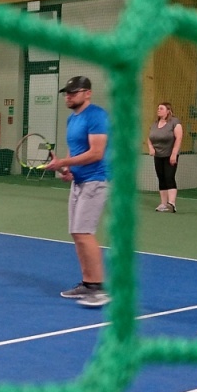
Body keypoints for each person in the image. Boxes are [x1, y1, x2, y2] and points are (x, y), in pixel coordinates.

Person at [44, 76, 111, 308]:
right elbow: (77, 150)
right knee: (76, 233)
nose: (68, 96)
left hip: (95, 180)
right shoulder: (71, 120)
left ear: (88, 93)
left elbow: (96, 153)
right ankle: (88, 283)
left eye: (73, 92)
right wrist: (68, 170)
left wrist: (64, 160)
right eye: (66, 93)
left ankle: (100, 289)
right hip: (79, 181)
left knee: (84, 232)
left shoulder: (97, 116)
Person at [146, 102, 183, 213]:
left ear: (168, 111)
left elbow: (179, 138)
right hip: (158, 156)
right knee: (161, 178)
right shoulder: (155, 124)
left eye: (161, 108)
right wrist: (151, 148)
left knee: (169, 177)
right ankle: (163, 204)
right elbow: (149, 138)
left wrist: (174, 154)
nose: (158, 110)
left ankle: (171, 203)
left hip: (170, 155)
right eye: (158, 108)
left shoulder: (174, 122)